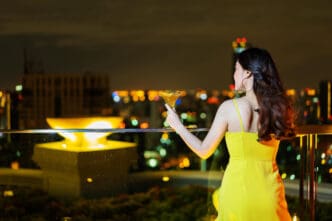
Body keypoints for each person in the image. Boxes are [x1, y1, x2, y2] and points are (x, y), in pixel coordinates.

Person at [165, 47, 295, 221]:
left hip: (237, 191)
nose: (234, 75)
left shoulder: (230, 108)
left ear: (248, 73)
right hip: (270, 192)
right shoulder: (278, 109)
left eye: (236, 69)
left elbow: (204, 151)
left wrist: (178, 126)